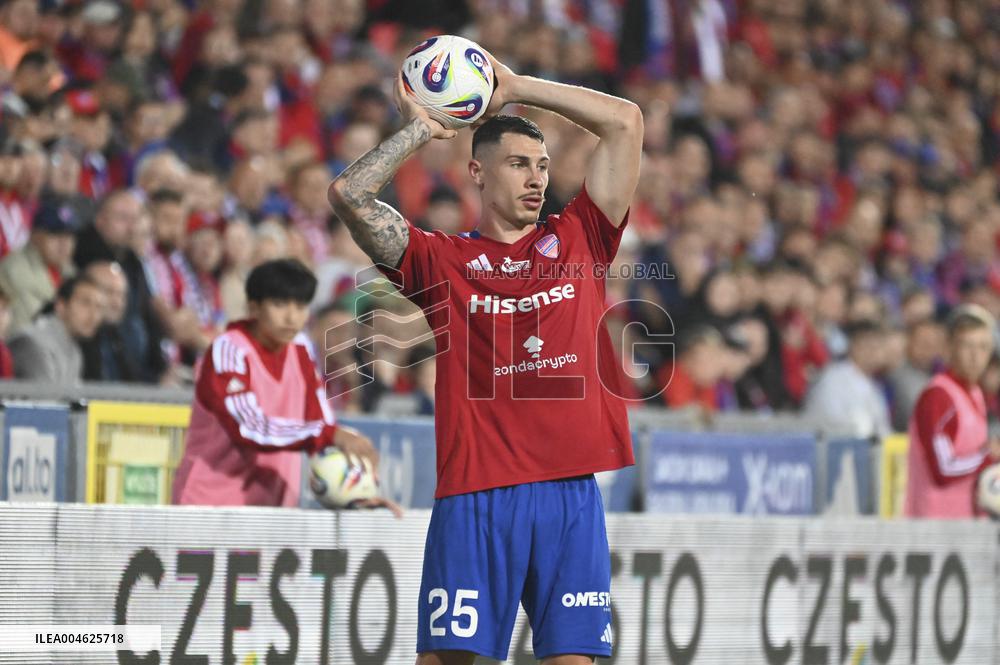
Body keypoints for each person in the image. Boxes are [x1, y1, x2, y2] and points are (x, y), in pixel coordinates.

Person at [329, 49, 643, 665]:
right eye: (519, 164)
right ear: (477, 172)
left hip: (569, 496)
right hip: (477, 494)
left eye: (543, 166)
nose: (536, 179)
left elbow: (626, 121)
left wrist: (518, 86)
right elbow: (349, 194)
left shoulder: (582, 237)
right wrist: (426, 126)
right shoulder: (441, 261)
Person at [172, 258, 392, 510]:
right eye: (279, 304)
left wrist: (358, 489)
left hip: (272, 512)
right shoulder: (228, 349)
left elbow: (320, 423)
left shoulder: (301, 351)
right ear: (253, 308)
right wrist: (330, 435)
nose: (291, 316)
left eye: (300, 306)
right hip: (208, 504)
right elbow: (248, 427)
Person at [905, 305, 1000, 519]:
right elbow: (943, 469)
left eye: (983, 347)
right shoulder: (938, 396)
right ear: (949, 349)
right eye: (967, 346)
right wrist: (988, 455)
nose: (976, 356)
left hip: (963, 525)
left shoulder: (974, 393)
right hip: (934, 529)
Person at [0, 196, 79, 335]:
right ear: (36, 236)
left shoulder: (71, 271)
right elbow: (21, 332)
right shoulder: (14, 271)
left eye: (69, 236)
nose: (64, 243)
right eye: (55, 234)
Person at [804, 320, 892, 440]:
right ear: (854, 347)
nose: (874, 353)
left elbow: (883, 430)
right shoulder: (833, 378)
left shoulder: (875, 385)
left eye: (878, 347)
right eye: (869, 347)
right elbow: (827, 424)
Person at [8, 275, 105, 384]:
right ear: (61, 306)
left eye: (99, 307)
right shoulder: (33, 342)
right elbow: (42, 399)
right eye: (85, 303)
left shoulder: (75, 350)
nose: (94, 315)